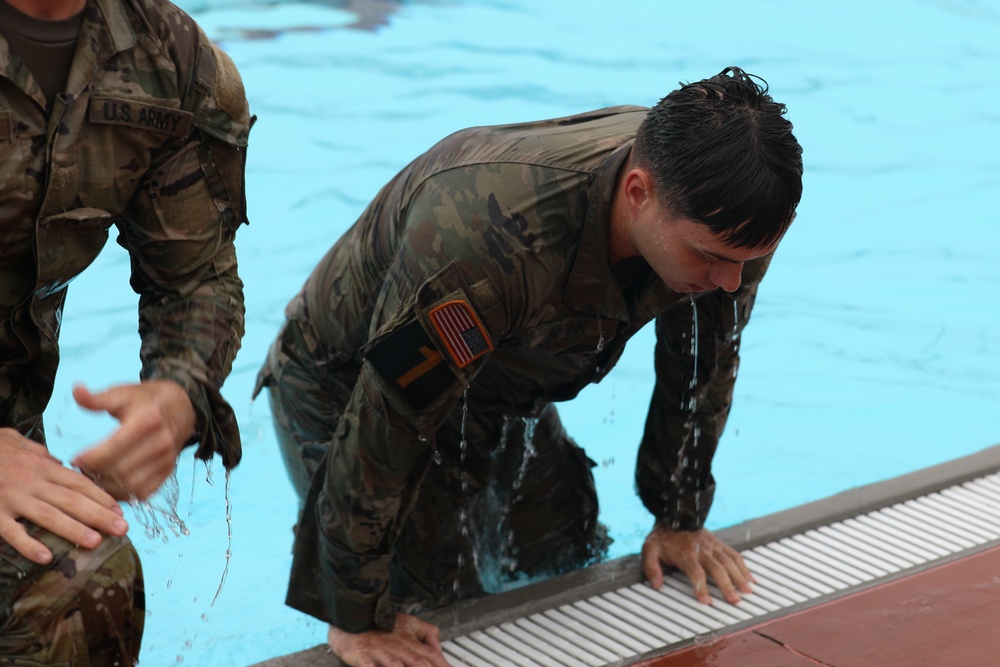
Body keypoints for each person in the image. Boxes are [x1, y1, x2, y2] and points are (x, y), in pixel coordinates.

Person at [256, 66, 802, 666]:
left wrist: (679, 516)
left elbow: (704, 361)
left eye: (750, 261)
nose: (732, 282)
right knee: (441, 609)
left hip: (501, 374)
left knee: (566, 550)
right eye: (713, 259)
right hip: (349, 381)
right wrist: (354, 612)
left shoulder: (734, 223)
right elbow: (388, 417)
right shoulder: (483, 242)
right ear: (639, 194)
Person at [0, 0, 252, 663]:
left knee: (83, 578)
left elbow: (197, 280)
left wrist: (176, 391)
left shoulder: (168, 58)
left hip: (10, 443)